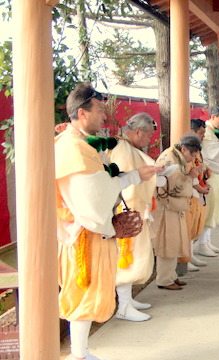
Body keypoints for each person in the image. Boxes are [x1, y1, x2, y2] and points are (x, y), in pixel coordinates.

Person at [56, 83, 160, 360]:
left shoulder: (81, 145)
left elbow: (103, 185)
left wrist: (136, 175)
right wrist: (133, 178)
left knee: (91, 290)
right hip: (84, 233)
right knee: (83, 291)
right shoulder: (73, 149)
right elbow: (94, 196)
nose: (105, 117)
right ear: (82, 113)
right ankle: (78, 354)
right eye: (100, 110)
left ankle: (81, 351)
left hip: (94, 229)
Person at [108, 112, 162, 322]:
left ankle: (127, 300)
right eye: (148, 135)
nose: (149, 140)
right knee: (127, 259)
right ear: (138, 131)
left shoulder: (128, 147)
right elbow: (125, 182)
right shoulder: (123, 149)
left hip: (135, 209)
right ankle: (123, 305)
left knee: (135, 258)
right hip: (128, 211)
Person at [152, 134, 203, 290]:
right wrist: (189, 176)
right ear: (184, 149)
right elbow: (169, 187)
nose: (191, 159)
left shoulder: (177, 158)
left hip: (175, 206)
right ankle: (164, 279)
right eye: (191, 155)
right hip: (166, 207)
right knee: (167, 244)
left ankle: (171, 276)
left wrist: (189, 175)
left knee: (174, 242)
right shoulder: (169, 160)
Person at [195, 105, 219, 257]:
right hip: (210, 174)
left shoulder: (215, 132)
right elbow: (212, 152)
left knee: (216, 207)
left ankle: (207, 240)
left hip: (217, 174)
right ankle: (202, 243)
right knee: (210, 207)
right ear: (212, 117)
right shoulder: (207, 132)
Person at [186, 119, 210, 271]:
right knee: (188, 226)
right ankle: (185, 257)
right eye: (201, 133)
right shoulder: (185, 149)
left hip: (198, 191)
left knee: (194, 224)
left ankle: (190, 253)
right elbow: (188, 171)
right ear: (193, 132)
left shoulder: (197, 149)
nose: (203, 136)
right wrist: (200, 188)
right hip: (190, 192)